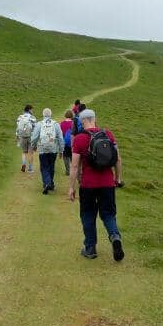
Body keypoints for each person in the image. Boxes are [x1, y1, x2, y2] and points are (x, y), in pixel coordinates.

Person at [68, 108, 125, 261]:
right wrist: (118, 179)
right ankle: (114, 236)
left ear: (83, 121)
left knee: (87, 215)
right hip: (107, 183)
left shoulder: (79, 139)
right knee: (108, 214)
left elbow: (74, 166)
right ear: (94, 119)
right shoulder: (108, 135)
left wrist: (71, 187)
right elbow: (118, 159)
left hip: (88, 185)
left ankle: (90, 248)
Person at [30, 108, 63, 194]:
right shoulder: (56, 124)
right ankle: (50, 183)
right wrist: (61, 150)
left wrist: (33, 146)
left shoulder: (39, 124)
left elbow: (34, 137)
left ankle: (47, 183)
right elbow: (60, 138)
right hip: (53, 149)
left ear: (43, 114)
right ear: (51, 114)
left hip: (42, 149)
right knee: (51, 166)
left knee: (44, 167)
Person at [15, 105, 37, 172]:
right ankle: (30, 168)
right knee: (31, 153)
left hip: (22, 136)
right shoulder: (32, 117)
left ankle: (23, 164)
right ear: (29, 110)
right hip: (30, 136)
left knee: (24, 152)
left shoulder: (20, 117)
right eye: (32, 110)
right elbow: (35, 128)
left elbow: (18, 128)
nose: (32, 111)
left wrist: (17, 137)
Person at [59, 110, 74, 176]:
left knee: (65, 156)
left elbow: (60, 134)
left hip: (64, 142)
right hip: (73, 142)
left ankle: (67, 170)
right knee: (72, 157)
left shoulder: (62, 123)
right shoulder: (74, 123)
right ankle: (73, 170)